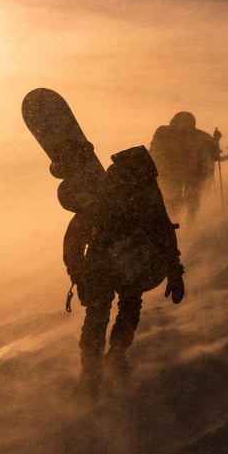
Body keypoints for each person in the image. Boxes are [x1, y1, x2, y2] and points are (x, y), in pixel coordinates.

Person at [62, 145, 185, 398]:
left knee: (98, 316)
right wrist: (173, 270)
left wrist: (77, 270)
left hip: (104, 265)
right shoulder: (147, 191)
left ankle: (92, 375)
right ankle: (111, 361)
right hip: (134, 263)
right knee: (127, 308)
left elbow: (75, 236)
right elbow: (163, 230)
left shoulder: (103, 190)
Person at [149, 111, 228, 223]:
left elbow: (154, 151)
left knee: (178, 201)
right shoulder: (198, 135)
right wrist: (216, 139)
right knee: (185, 201)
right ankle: (184, 225)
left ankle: (177, 225)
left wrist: (216, 140)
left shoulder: (164, 132)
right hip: (180, 174)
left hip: (176, 174)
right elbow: (213, 152)